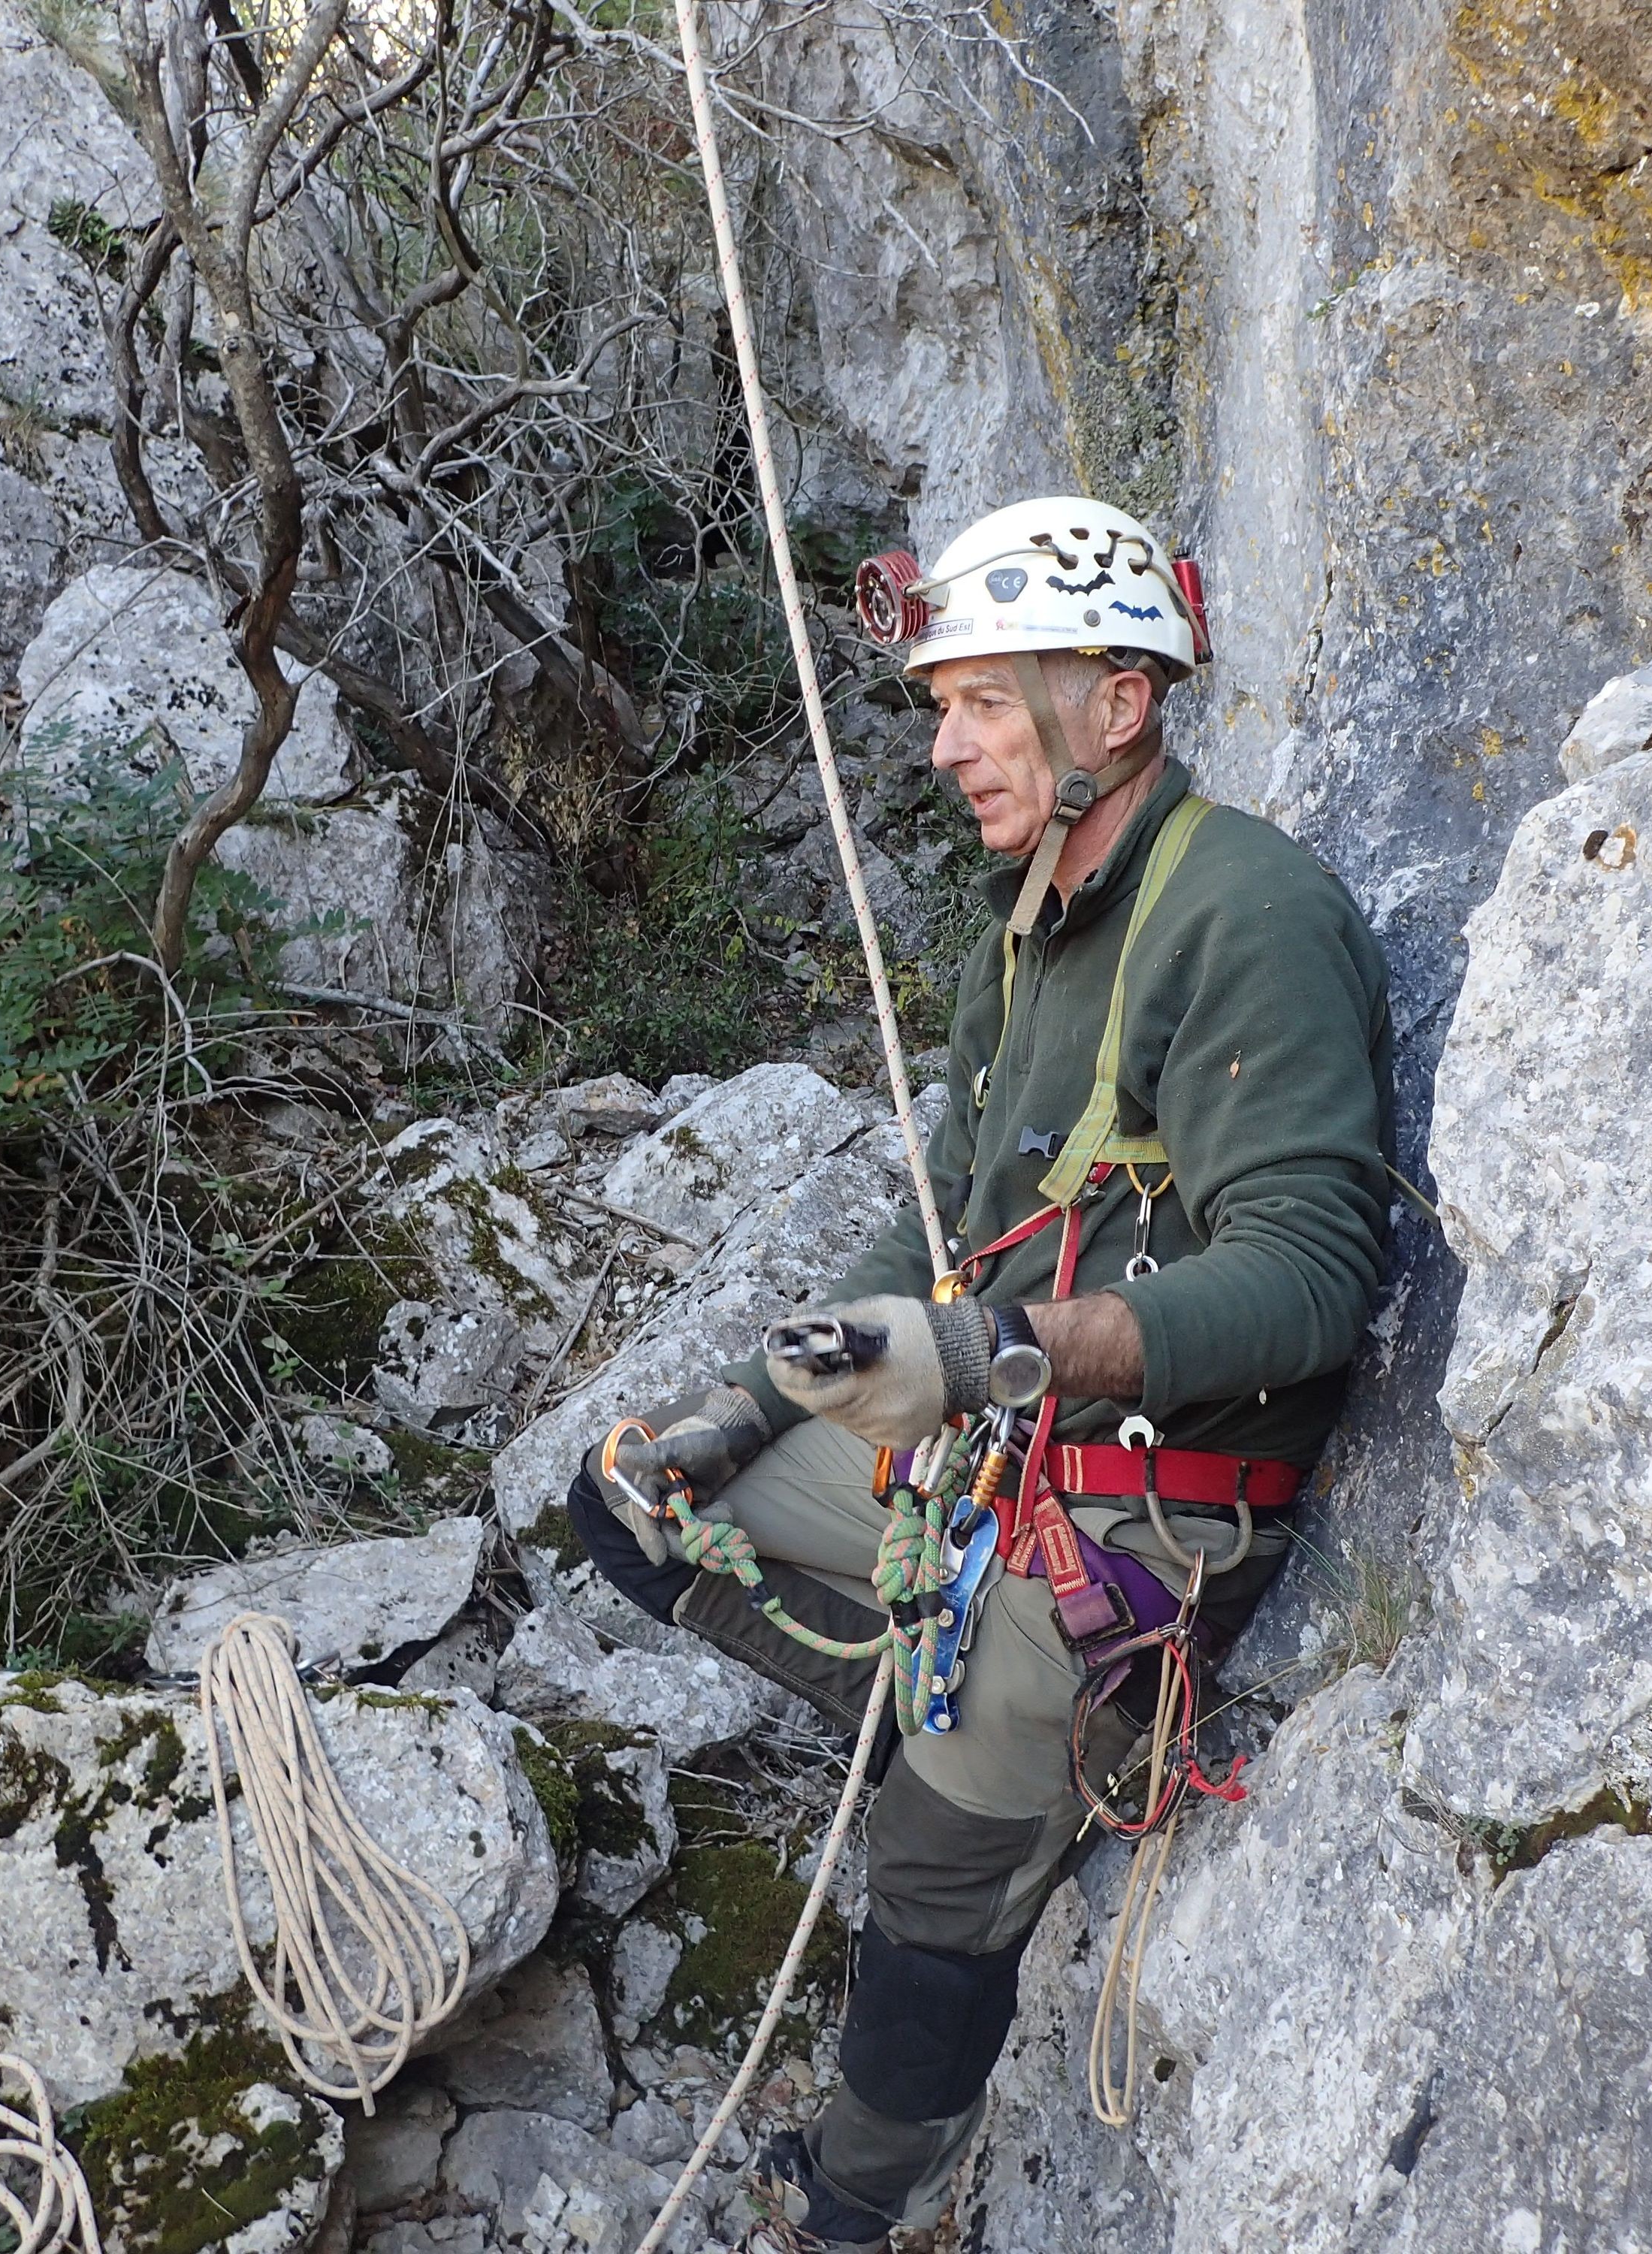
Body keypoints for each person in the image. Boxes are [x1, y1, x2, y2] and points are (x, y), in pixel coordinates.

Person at [563, 495, 1398, 2252]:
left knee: (928, 1877)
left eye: (981, 705)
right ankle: (939, 1734)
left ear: (1116, 703)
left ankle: (864, 2202)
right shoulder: (1023, 929)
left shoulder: (1244, 912)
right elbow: (951, 1221)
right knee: (628, 1499)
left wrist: (989, 1355)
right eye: (937, 707)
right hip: (1007, 1447)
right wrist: (760, 1399)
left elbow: (1313, 1275)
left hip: (1138, 1512)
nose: (941, 747)